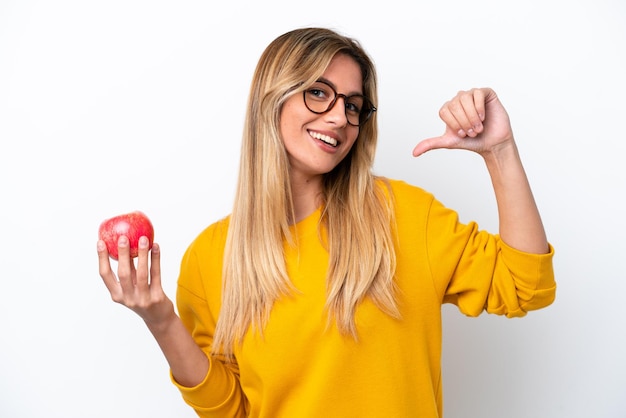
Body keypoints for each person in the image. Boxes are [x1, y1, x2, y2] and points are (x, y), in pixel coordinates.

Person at [97, 27, 556, 418]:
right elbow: (232, 409)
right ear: (271, 99)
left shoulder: (405, 216)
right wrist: (159, 320)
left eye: (353, 105)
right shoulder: (210, 257)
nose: (339, 116)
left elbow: (526, 285)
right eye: (318, 93)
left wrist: (500, 151)